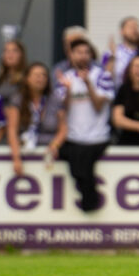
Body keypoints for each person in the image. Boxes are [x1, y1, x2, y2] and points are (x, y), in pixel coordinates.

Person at [50, 37, 114, 213]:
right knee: (77, 169)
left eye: (86, 52)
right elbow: (63, 109)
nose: (83, 56)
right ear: (71, 55)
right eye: (79, 52)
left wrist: (88, 84)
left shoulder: (103, 75)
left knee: (82, 170)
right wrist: (69, 90)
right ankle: (90, 203)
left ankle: (90, 204)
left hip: (97, 137)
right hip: (73, 137)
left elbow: (99, 105)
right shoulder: (65, 78)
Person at [4, 62, 63, 174]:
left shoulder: (55, 99)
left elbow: (63, 128)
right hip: (25, 152)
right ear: (27, 79)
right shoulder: (17, 99)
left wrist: (55, 144)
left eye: (43, 75)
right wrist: (16, 158)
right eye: (36, 75)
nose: (40, 78)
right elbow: (12, 130)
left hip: (50, 153)